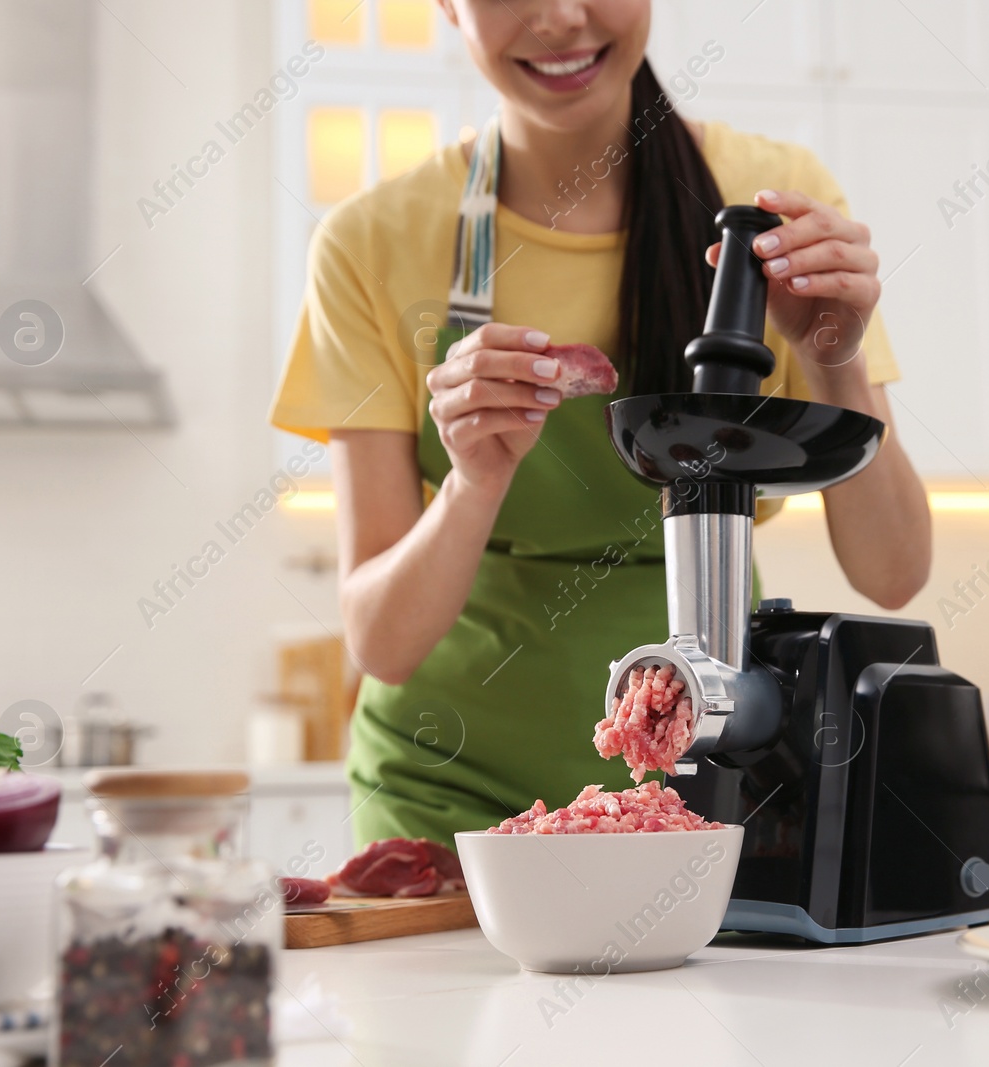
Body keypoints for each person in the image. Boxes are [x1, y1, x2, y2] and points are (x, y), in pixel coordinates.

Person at [270, 0, 932, 848]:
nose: (560, 17)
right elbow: (381, 645)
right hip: (447, 804)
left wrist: (835, 352)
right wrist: (475, 478)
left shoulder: (768, 207)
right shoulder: (370, 241)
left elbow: (893, 572)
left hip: (708, 779)